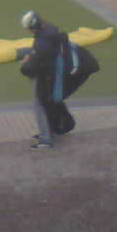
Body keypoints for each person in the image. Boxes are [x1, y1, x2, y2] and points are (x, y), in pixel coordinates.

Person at [19, 10, 77, 149]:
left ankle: (46, 138)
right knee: (49, 103)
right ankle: (53, 130)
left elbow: (30, 68)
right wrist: (32, 54)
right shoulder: (50, 30)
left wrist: (26, 62)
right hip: (54, 74)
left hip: (46, 77)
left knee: (40, 105)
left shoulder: (42, 42)